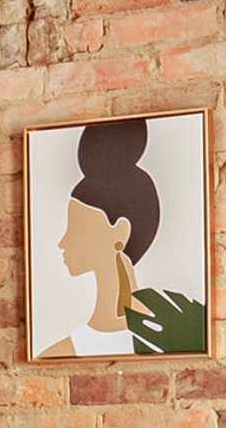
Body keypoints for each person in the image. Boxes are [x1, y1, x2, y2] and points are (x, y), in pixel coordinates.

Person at [38, 118, 160, 358]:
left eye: (77, 229)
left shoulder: (167, 340)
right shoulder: (61, 352)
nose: (63, 241)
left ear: (120, 233)